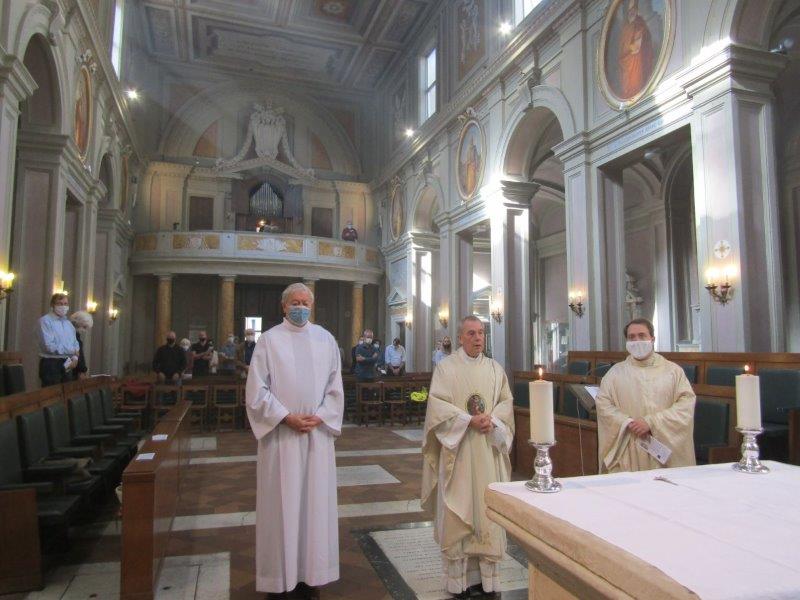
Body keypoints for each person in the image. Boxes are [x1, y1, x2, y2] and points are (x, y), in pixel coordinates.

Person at [246, 282, 343, 599]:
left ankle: (311, 576)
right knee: (281, 508)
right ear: (284, 306)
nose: (301, 307)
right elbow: (256, 391)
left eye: (305, 303)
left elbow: (335, 388)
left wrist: (321, 415)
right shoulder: (269, 341)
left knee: (315, 508)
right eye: (295, 303)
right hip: (281, 438)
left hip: (316, 437)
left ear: (311, 306)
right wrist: (285, 416)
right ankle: (279, 579)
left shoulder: (325, 339)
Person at [421, 316, 515, 597]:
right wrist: (467, 421)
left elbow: (506, 404)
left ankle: (487, 582)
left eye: (481, 333)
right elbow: (437, 407)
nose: (478, 338)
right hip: (459, 453)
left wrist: (493, 421)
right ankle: (458, 582)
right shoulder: (446, 368)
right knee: (459, 509)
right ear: (460, 337)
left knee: (486, 514)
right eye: (471, 333)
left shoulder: (496, 370)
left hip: (487, 451)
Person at [595, 318, 696, 473]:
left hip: (663, 451)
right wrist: (627, 422)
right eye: (632, 337)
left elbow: (686, 405)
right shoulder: (615, 373)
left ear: (652, 339)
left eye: (642, 336)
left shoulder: (673, 371)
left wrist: (651, 422)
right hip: (628, 447)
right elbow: (603, 404)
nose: (637, 341)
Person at [37, 293, 80, 387]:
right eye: (60, 303)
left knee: (67, 393)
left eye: (65, 304)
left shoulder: (68, 324)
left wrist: (75, 358)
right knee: (52, 393)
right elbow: (49, 346)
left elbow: (75, 343)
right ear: (52, 305)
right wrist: (72, 351)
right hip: (51, 363)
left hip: (67, 362)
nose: (63, 306)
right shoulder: (45, 321)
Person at [617, 0, 654, 99]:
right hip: (626, 64)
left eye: (633, 9)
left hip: (637, 61)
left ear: (636, 9)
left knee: (636, 84)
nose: (631, 12)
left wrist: (631, 47)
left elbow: (638, 46)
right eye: (629, 10)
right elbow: (622, 49)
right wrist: (628, 48)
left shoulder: (640, 24)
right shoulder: (625, 28)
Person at [69, 311, 93, 380]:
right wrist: (82, 370)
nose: (84, 330)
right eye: (84, 327)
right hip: (72, 371)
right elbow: (78, 354)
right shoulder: (71, 335)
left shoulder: (76, 335)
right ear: (78, 323)